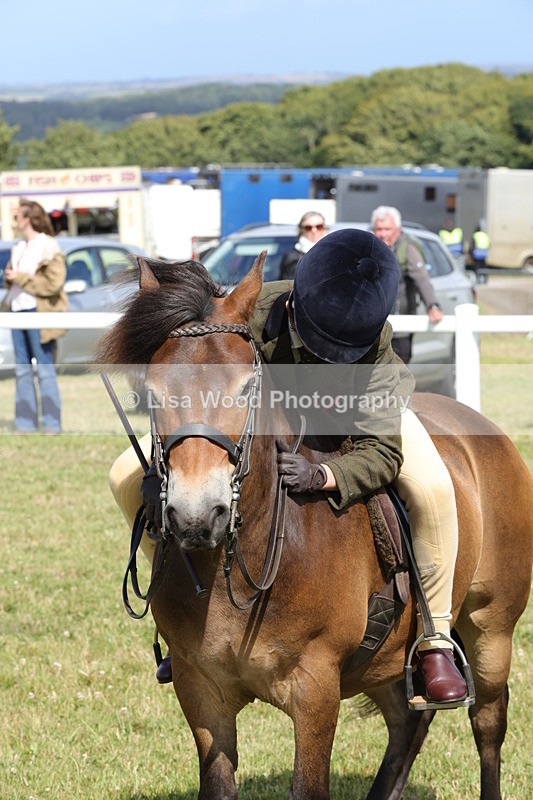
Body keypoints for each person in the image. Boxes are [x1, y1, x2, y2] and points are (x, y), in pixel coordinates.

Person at [108, 229, 468, 707]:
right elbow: (197, 363)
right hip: (269, 424)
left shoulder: (375, 347)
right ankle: (178, 616)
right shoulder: (254, 311)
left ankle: (436, 639)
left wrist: (324, 475)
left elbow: (381, 452)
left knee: (432, 488)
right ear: (295, 301)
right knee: (123, 476)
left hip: (361, 417)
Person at [2, 199, 67, 434]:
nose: (15, 219)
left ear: (27, 218)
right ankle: (25, 424)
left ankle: (52, 424)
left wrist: (18, 277)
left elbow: (53, 284)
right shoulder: (18, 246)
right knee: (22, 369)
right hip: (17, 311)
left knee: (45, 369)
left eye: (18, 215)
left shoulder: (48, 246)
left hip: (39, 313)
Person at [371, 206, 444, 364]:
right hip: (373, 328)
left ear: (398, 229)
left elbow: (422, 278)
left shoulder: (408, 247)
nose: (382, 234)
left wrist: (432, 305)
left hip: (400, 329)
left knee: (397, 374)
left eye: (387, 229)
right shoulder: (369, 246)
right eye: (378, 229)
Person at [279, 210, 327, 279]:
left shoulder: (334, 251)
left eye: (319, 226)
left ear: (324, 228)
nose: (314, 231)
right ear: (302, 230)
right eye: (308, 228)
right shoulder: (293, 257)